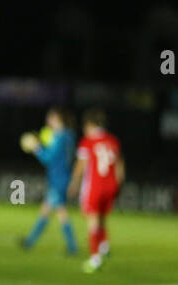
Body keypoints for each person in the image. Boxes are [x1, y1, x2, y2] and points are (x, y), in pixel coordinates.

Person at [68, 109, 124, 273]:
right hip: (111, 184)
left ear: (90, 125)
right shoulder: (113, 140)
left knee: (92, 220)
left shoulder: (88, 141)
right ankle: (104, 245)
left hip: (95, 186)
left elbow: (81, 165)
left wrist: (74, 183)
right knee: (102, 217)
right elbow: (120, 165)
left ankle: (95, 259)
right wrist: (119, 184)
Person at [18, 108, 78, 255]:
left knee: (58, 212)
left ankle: (71, 247)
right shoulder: (69, 136)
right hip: (64, 177)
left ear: (58, 119)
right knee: (49, 210)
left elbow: (48, 158)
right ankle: (30, 241)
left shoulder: (59, 137)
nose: (48, 121)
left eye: (51, 118)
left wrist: (36, 148)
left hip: (58, 179)